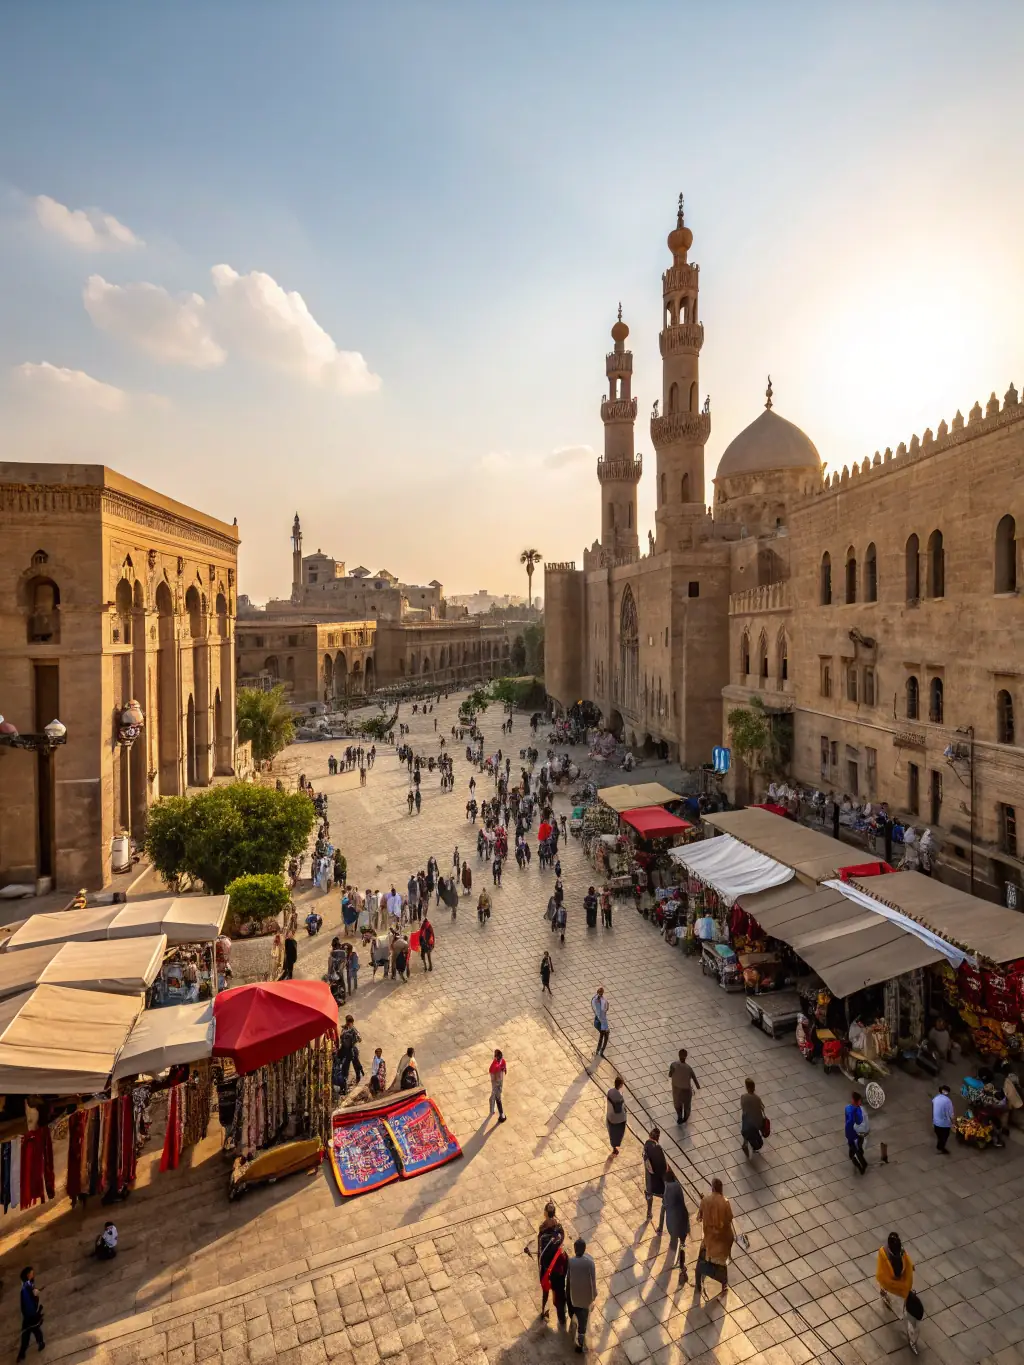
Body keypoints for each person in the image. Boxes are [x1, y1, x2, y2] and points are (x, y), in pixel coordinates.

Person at [876, 1232, 920, 1353]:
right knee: (910, 1316)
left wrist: (910, 1265)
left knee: (910, 1315)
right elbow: (883, 1273)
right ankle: (912, 1340)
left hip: (902, 1285)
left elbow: (905, 1257)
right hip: (897, 1285)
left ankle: (912, 1339)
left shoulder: (899, 1251)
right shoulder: (884, 1254)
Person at [695, 1180, 734, 1301]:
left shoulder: (705, 1201)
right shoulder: (725, 1202)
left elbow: (699, 1218)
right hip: (723, 1242)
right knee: (723, 1265)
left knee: (700, 1262)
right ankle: (724, 1286)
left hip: (709, 1241)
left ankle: (698, 1286)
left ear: (712, 1188)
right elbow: (729, 1218)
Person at [567, 1237, 598, 1354]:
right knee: (583, 1323)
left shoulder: (570, 1261)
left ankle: (574, 1322)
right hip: (586, 1299)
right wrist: (594, 1295)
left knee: (576, 1312)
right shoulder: (590, 1263)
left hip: (574, 1297)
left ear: (575, 1249)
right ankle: (580, 1343)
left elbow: (569, 1279)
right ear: (584, 1249)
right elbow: (593, 1281)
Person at [536, 1202, 566, 1322]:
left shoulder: (542, 1228)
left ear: (545, 1213)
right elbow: (561, 1239)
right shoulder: (559, 1226)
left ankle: (543, 1310)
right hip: (558, 1259)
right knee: (560, 1287)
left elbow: (540, 1246)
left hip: (547, 1262)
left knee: (545, 1289)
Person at [662, 1168, 690, 1282]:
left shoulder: (668, 1187)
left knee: (674, 1239)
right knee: (683, 1243)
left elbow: (665, 1203)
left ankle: (674, 1261)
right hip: (683, 1218)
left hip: (674, 1221)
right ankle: (682, 1264)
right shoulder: (678, 1185)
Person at [643, 1127, 668, 1230]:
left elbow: (646, 1161)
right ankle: (660, 1226)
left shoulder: (646, 1145)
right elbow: (664, 1165)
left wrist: (650, 1171)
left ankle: (649, 1212)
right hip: (659, 1178)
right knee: (664, 1197)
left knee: (649, 1193)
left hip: (650, 1177)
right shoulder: (658, 1148)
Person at [17, 1267, 44, 1360]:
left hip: (30, 1315)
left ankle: (22, 1354)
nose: (33, 1274)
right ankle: (22, 1354)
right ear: (28, 1275)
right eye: (32, 1273)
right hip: (30, 1316)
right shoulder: (26, 1288)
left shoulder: (28, 1285)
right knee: (30, 1333)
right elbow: (28, 1304)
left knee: (31, 1333)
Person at [669, 1049, 700, 1124]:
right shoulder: (688, 1068)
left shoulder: (673, 1065)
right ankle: (685, 1118)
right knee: (687, 1105)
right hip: (686, 1090)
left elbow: (670, 1075)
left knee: (677, 1104)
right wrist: (698, 1086)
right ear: (686, 1056)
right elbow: (694, 1078)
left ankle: (679, 1117)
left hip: (676, 1089)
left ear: (678, 1055)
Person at [740, 1077, 766, 1157]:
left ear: (747, 1087)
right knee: (754, 1132)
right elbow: (762, 1107)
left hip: (748, 1120)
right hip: (756, 1122)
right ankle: (754, 1146)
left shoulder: (743, 1097)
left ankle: (745, 1143)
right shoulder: (757, 1098)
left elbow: (743, 1108)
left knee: (745, 1120)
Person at [845, 1090, 868, 1173]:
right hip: (854, 1135)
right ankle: (862, 1163)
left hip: (852, 1135)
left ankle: (862, 1164)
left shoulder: (849, 1108)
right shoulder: (858, 1111)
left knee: (854, 1152)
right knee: (857, 1150)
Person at [606, 1075, 627, 1155]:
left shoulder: (610, 1091)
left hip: (609, 1117)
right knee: (618, 1133)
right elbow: (619, 1109)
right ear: (620, 1085)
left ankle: (614, 1147)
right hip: (618, 1120)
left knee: (612, 1133)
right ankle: (616, 1146)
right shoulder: (620, 1097)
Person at [932, 1084, 954, 1154]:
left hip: (936, 1122)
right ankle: (941, 1147)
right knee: (945, 1136)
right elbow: (951, 1114)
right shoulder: (948, 1101)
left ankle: (940, 1143)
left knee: (939, 1135)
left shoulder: (935, 1098)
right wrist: (953, 1123)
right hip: (944, 1124)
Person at [489, 1049, 507, 1123]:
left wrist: (494, 1082)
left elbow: (493, 1077)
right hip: (500, 1082)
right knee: (496, 1097)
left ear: (496, 1057)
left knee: (496, 1098)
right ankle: (494, 1112)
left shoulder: (494, 1065)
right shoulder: (503, 1061)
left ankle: (500, 1114)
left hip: (496, 1083)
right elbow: (504, 1070)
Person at [592, 987, 610, 1057]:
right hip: (600, 1022)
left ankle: (598, 1052)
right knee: (604, 1035)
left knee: (603, 1036)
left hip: (599, 1021)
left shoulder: (596, 999)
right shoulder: (599, 1001)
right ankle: (600, 1052)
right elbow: (602, 1012)